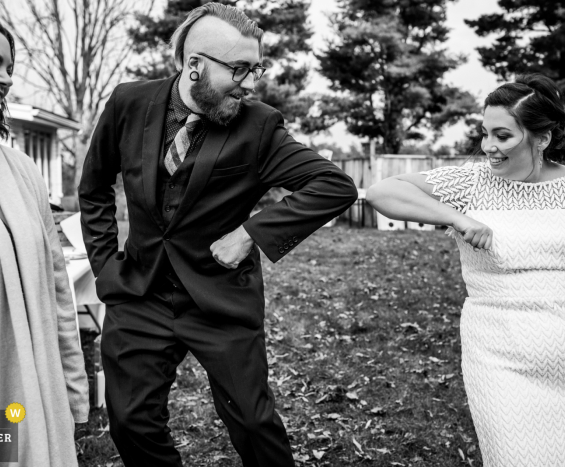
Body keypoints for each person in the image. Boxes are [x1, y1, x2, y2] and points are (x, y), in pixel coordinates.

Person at [78, 3, 357, 466]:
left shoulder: (260, 125)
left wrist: (250, 233)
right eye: (240, 69)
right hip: (140, 292)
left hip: (220, 298)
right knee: (130, 422)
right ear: (195, 66)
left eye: (257, 68)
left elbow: (334, 186)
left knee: (251, 422)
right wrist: (107, 267)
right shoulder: (129, 102)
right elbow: (93, 188)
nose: (251, 83)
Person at [366, 74, 565, 466]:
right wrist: (457, 219)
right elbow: (383, 192)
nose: (488, 147)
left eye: (502, 135)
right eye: (485, 134)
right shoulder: (472, 181)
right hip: (502, 356)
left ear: (542, 138)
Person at [0, 6, 89, 466]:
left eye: (11, 67)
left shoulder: (24, 173)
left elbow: (58, 290)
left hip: (36, 393)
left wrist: (72, 389)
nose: (7, 78)